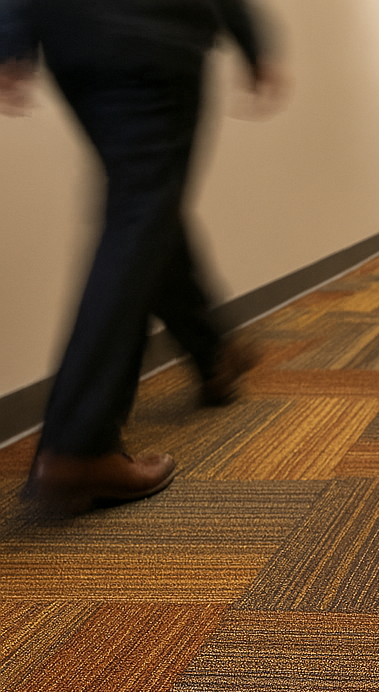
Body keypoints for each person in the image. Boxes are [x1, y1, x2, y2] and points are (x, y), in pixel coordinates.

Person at [0, 0, 283, 514]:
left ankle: (213, 353)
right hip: (154, 33)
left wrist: (10, 31)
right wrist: (251, 38)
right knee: (142, 212)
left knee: (147, 204)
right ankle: (80, 444)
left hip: (69, 37)